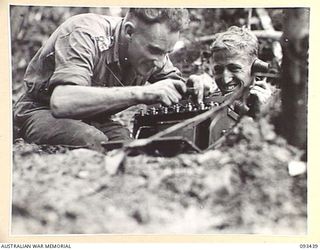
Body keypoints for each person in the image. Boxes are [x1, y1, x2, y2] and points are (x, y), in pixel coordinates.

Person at [13, 8, 214, 151]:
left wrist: (196, 85)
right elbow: (62, 102)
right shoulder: (85, 33)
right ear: (128, 32)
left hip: (95, 118)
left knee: (129, 146)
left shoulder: (155, 50)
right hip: (40, 109)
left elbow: (175, 84)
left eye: (167, 52)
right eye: (155, 50)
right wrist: (142, 93)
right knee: (92, 140)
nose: (160, 61)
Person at [207, 26, 273, 143]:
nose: (226, 79)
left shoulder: (275, 106)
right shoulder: (209, 102)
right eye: (218, 70)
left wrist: (264, 113)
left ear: (255, 67)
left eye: (234, 68)